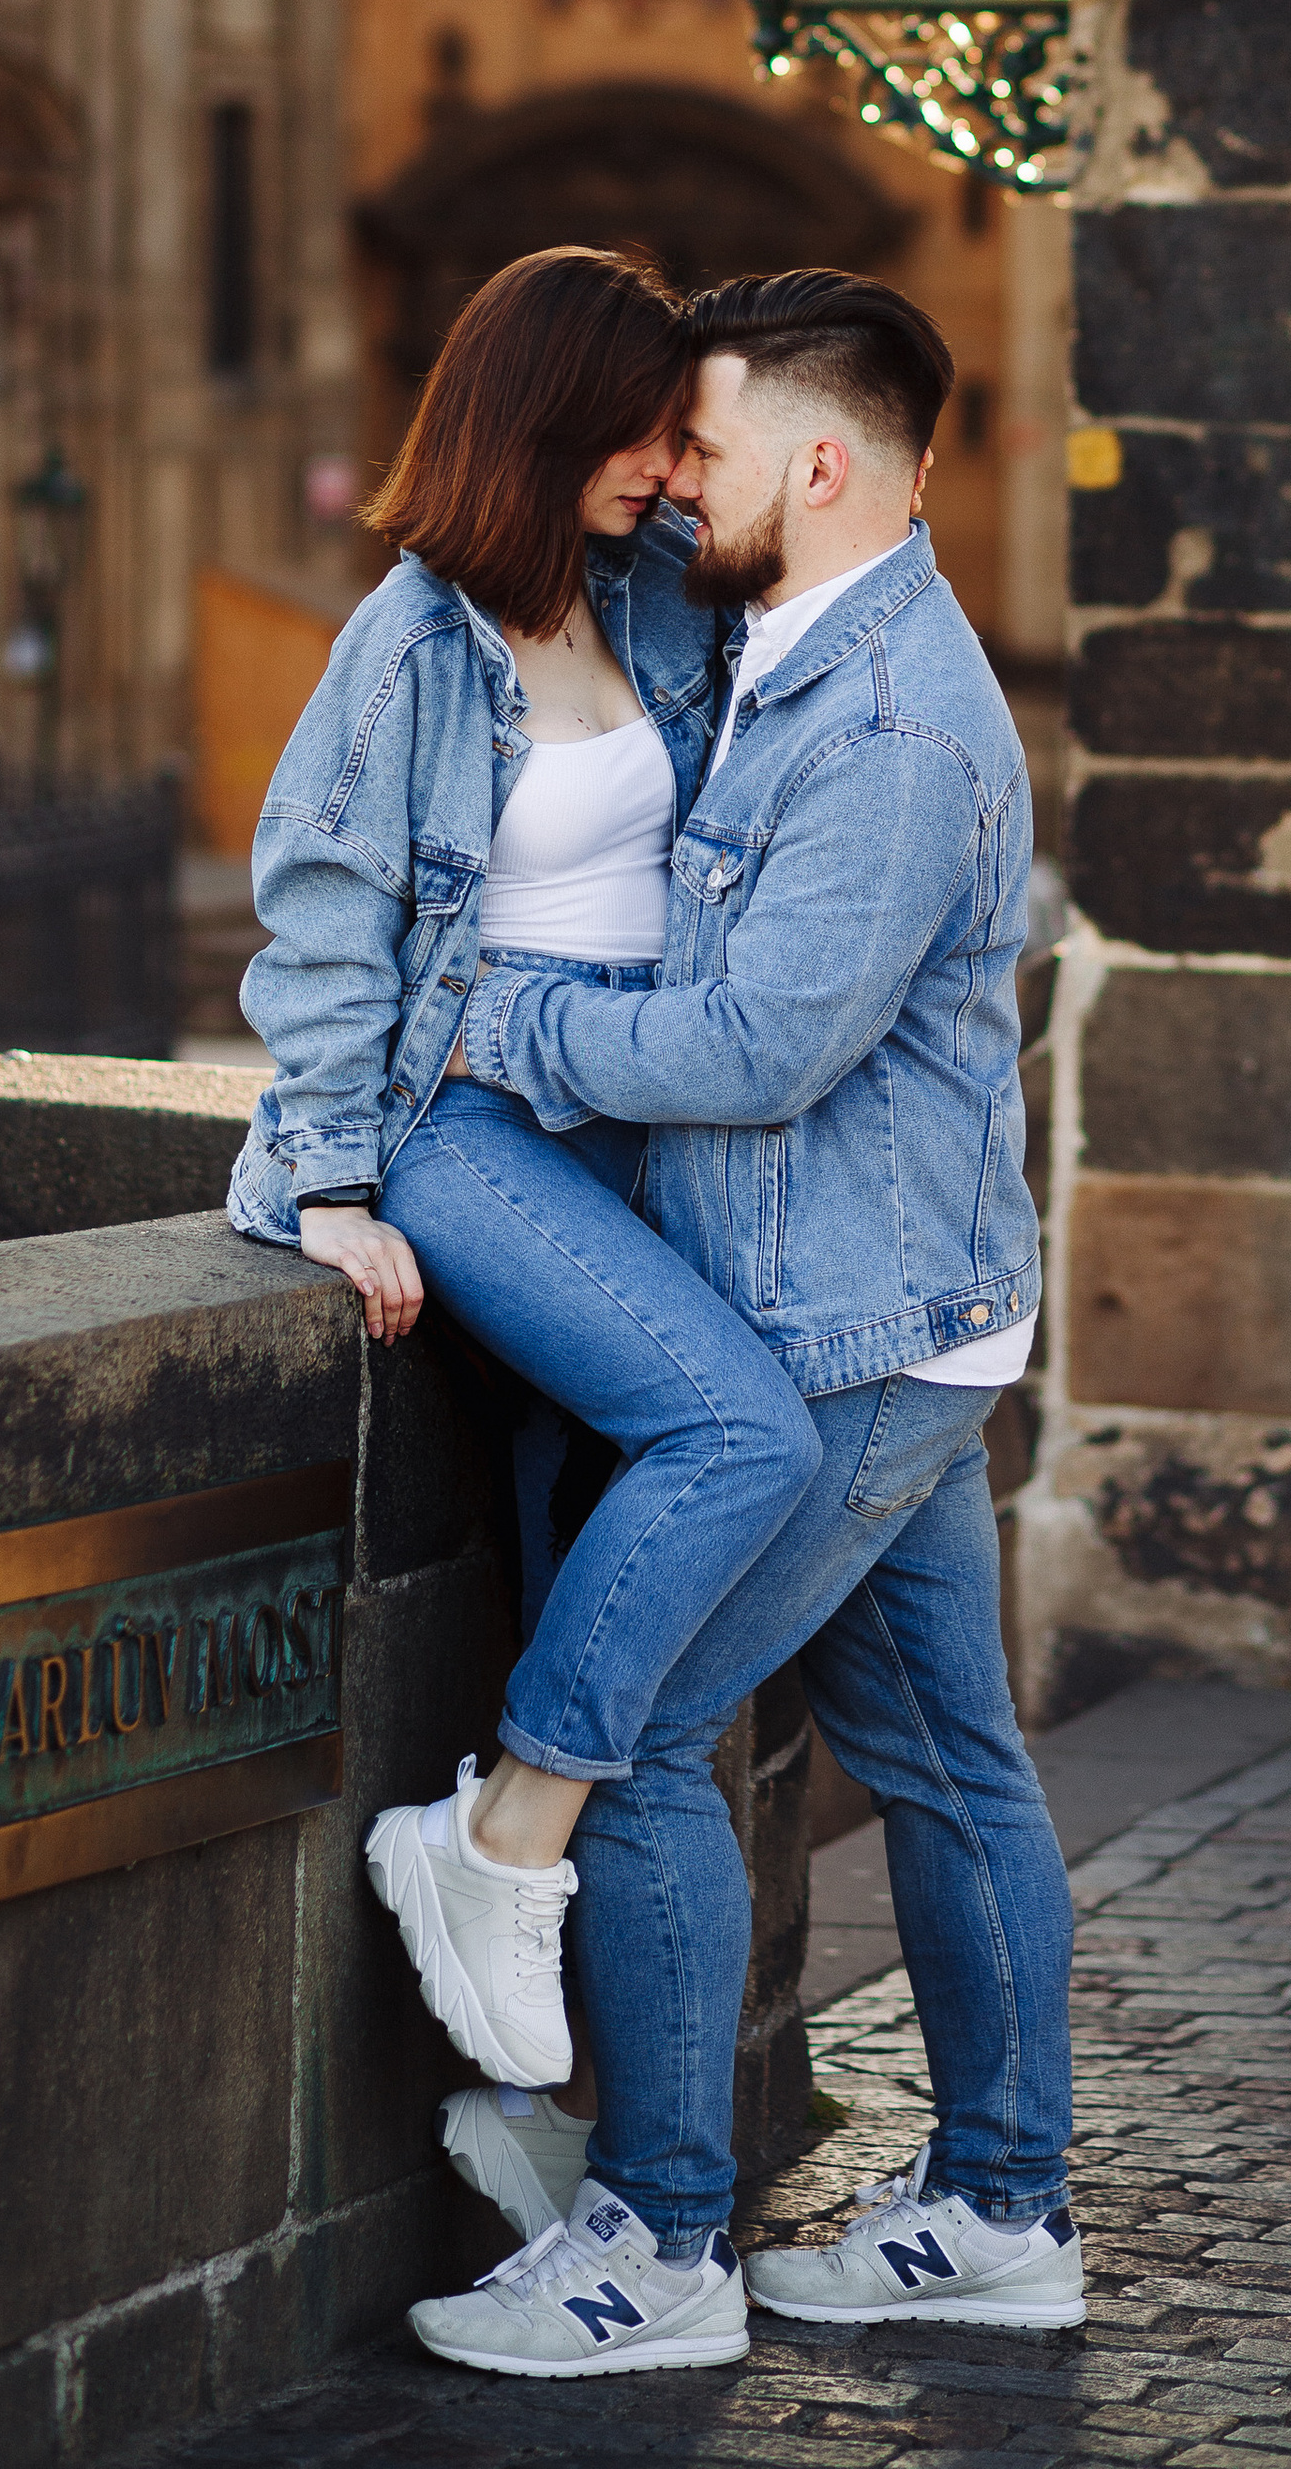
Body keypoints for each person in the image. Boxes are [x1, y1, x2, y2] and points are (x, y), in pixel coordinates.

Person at [405, 269, 1079, 2384]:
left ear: (821, 463)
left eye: (701, 446)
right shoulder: (793, 645)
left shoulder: (890, 729)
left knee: (635, 1742)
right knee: (949, 1767)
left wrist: (495, 1028)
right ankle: (1003, 2210)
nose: (674, 480)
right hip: (885, 1307)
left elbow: (763, 1043)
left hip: (850, 1335)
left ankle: (659, 2242)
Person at [227, 246, 821, 2096]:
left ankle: (587, 2144)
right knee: (741, 1435)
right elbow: (325, 919)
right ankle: (495, 1835)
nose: (666, 466)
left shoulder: (648, 594)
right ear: (545, 420)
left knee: (609, 1578)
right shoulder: (413, 644)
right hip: (466, 1125)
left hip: (637, 1124)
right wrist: (334, 1186)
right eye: (641, 433)